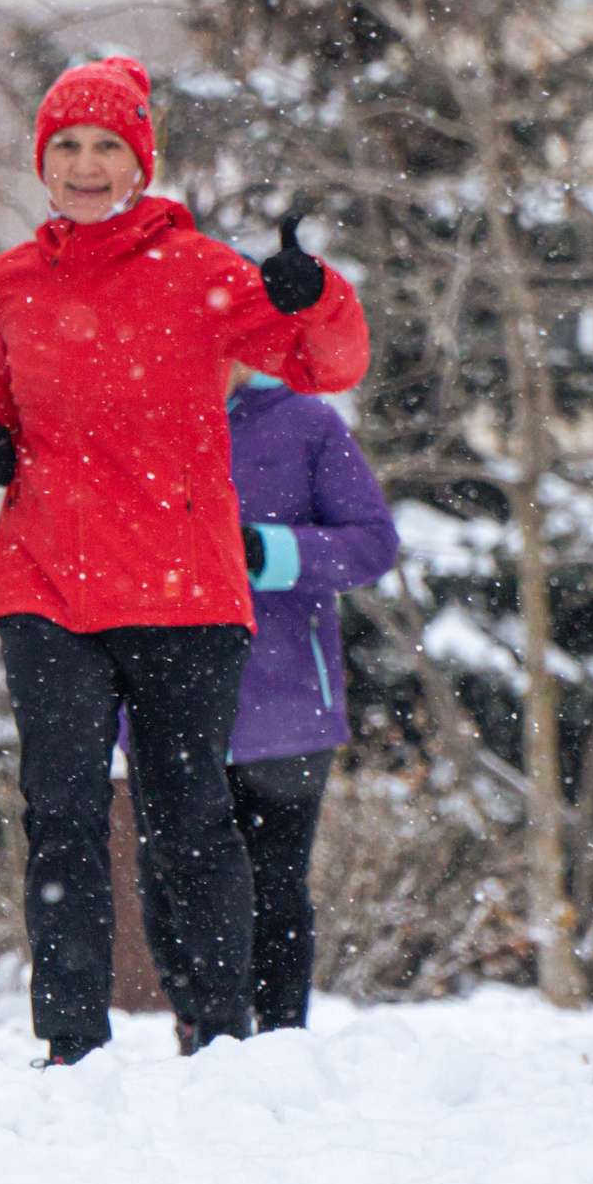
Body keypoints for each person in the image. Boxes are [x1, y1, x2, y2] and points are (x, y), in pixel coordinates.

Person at [0, 55, 369, 1066]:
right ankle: (69, 1039)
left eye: (107, 147)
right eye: (67, 147)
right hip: (48, 580)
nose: (86, 166)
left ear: (139, 160)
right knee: (58, 814)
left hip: (181, 585)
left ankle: (221, 1034)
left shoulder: (200, 273)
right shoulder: (10, 282)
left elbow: (329, 362)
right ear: (42, 162)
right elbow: (0, 403)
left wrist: (309, 293)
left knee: (186, 823)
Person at [137, 368, 397, 1040]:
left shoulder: (307, 423)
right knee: (170, 891)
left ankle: (281, 1042)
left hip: (287, 706)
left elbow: (372, 542)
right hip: (169, 700)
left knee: (276, 889)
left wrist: (272, 551)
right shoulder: (137, 418)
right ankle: (203, 1033)